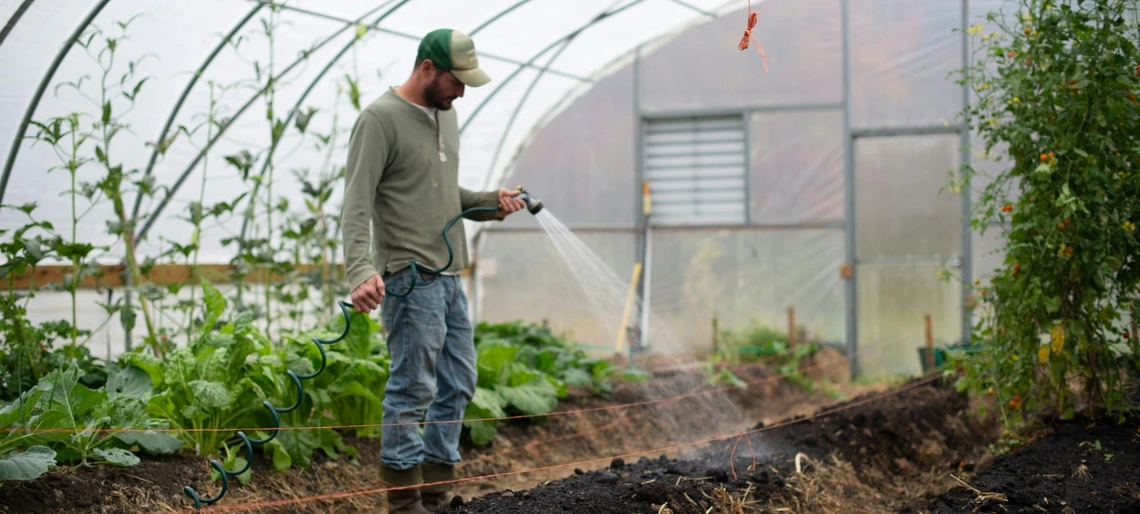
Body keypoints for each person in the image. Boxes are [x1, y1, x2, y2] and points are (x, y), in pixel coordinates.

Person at [339, 28, 527, 514]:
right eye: (456, 81)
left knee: (460, 381)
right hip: (407, 277)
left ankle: (437, 492)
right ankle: (404, 504)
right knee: (412, 387)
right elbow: (356, 204)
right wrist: (360, 270)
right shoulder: (379, 120)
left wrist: (492, 203)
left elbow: (445, 197)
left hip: (448, 277)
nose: (462, 90)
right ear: (427, 68)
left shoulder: (447, 117)